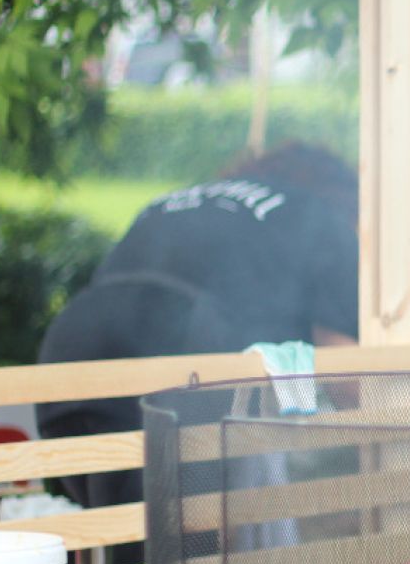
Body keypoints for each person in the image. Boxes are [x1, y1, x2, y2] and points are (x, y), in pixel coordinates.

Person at [36, 141, 359, 509]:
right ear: (345, 198)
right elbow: (347, 367)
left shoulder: (178, 199)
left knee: (111, 529)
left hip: (72, 348)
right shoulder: (321, 217)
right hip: (186, 348)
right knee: (188, 548)